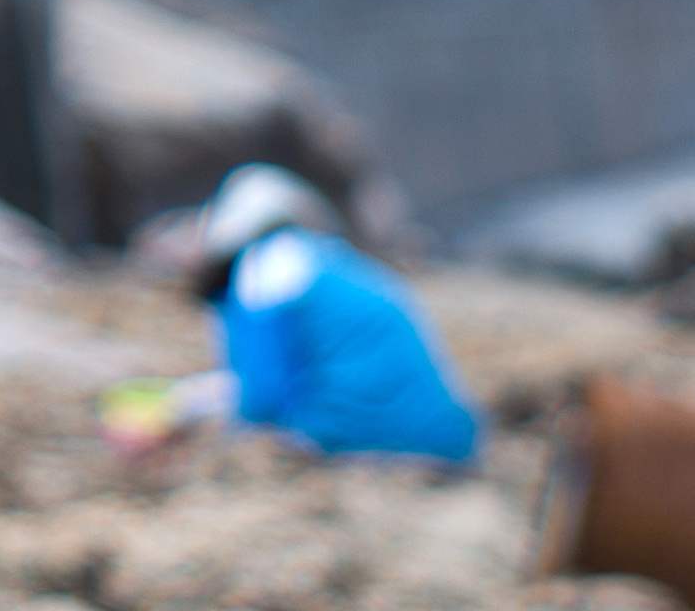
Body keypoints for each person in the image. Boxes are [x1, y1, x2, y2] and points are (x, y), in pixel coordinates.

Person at [129, 168, 479, 466]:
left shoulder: (265, 270)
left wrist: (173, 415)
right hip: (450, 437)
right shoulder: (327, 260)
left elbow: (260, 397)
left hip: (375, 438)